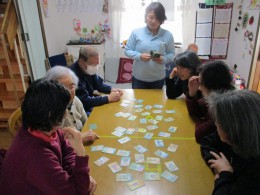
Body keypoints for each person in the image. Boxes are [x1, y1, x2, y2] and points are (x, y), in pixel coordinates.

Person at [0, 79, 97, 194]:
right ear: (51, 114)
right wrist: (81, 155)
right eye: (64, 109)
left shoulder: (41, 127)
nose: (66, 112)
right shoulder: (38, 158)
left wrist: (77, 175)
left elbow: (64, 147)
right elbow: (79, 192)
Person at [200, 90, 260, 194]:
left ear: (231, 128)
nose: (215, 124)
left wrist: (224, 174)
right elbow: (206, 141)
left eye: (218, 120)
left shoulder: (254, 168)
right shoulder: (237, 138)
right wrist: (218, 165)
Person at [124, 2, 175, 89]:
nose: (153, 21)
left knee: (156, 102)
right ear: (145, 17)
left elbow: (171, 54)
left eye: (157, 18)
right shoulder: (136, 32)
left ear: (162, 19)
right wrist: (140, 56)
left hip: (158, 78)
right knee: (138, 102)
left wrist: (164, 59)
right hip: (138, 78)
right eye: (151, 17)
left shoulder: (168, 35)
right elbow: (127, 50)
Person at [45, 66, 99, 143]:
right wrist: (80, 139)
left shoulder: (76, 100)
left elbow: (86, 120)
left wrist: (92, 130)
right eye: (63, 88)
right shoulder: (50, 112)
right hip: (70, 148)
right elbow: (54, 143)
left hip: (84, 140)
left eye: (71, 86)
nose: (69, 92)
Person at [186, 61, 235, 143]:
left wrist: (201, 122)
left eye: (201, 83)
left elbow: (199, 135)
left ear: (212, 86)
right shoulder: (222, 92)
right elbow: (195, 112)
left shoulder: (224, 106)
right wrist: (192, 93)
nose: (199, 88)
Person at [71, 46, 123, 115]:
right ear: (81, 61)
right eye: (92, 64)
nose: (95, 67)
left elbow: (99, 84)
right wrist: (108, 98)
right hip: (80, 110)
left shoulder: (87, 69)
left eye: (97, 64)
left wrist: (111, 89)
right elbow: (84, 101)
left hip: (89, 104)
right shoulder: (73, 76)